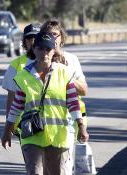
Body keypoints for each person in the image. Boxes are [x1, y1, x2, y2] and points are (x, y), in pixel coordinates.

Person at [1, 32, 89, 175]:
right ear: (34, 49)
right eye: (40, 48)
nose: (44, 53)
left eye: (48, 49)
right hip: (32, 135)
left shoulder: (64, 73)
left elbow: (73, 103)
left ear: (54, 51)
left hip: (58, 137)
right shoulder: (24, 76)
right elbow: (17, 106)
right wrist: (7, 131)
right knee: (34, 172)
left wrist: (81, 126)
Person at [40, 19, 88, 173]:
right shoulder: (38, 59)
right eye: (48, 35)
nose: (52, 38)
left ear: (62, 37)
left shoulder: (71, 60)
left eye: (55, 34)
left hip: (67, 123)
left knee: (63, 169)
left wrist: (65, 76)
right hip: (40, 126)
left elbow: (84, 90)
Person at [2, 23, 41, 135]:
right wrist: (8, 125)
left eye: (36, 37)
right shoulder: (16, 64)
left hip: (50, 122)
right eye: (29, 38)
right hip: (25, 124)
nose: (32, 41)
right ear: (24, 42)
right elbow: (11, 96)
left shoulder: (51, 61)